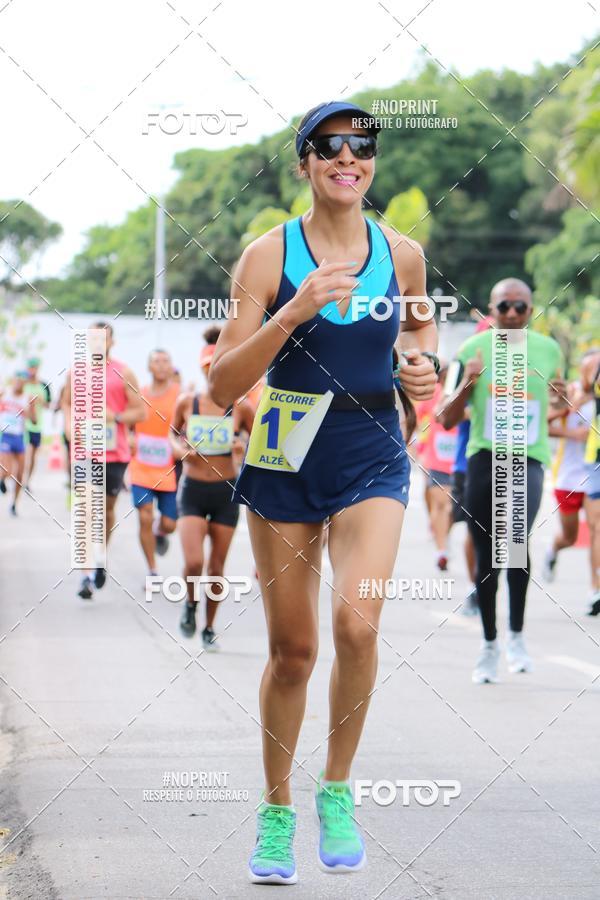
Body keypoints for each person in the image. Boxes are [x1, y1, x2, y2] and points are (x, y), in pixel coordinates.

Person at [208, 101, 439, 884]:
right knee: (293, 651)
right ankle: (277, 816)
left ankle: (335, 788)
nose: (350, 157)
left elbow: (420, 332)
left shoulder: (401, 252)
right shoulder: (267, 256)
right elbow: (219, 386)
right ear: (304, 163)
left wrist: (423, 366)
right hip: (284, 454)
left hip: (372, 447)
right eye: (331, 146)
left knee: (358, 626)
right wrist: (296, 311)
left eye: (362, 145)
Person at [440, 278, 565, 684]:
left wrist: (562, 403)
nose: (512, 314)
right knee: (485, 549)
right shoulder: (470, 350)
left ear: (531, 310)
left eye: (520, 307)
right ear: (490, 311)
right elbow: (445, 418)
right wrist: (468, 384)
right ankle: (490, 643)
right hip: (483, 457)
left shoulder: (548, 351)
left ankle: (516, 636)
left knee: (514, 542)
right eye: (503, 307)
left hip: (527, 458)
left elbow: (552, 411)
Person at [170, 327, 254, 650]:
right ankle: (190, 605)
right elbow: (172, 434)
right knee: (193, 563)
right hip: (192, 488)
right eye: (208, 370)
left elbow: (259, 441)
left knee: (216, 567)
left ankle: (209, 627)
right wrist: (180, 451)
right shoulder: (186, 403)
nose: (212, 375)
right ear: (204, 370)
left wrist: (241, 445)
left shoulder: (241, 407)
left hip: (225, 491)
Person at [63, 323, 146, 599]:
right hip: (85, 451)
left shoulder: (124, 372)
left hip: (114, 452)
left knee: (106, 511)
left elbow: (140, 412)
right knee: (86, 510)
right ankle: (86, 576)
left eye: (103, 338)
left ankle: (101, 557)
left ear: (112, 342)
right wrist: (68, 427)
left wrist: (117, 417)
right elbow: (67, 404)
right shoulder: (76, 371)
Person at [128, 349, 180, 583]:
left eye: (165, 361)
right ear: (149, 367)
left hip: (169, 470)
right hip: (141, 468)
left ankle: (161, 532)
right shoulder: (140, 395)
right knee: (145, 517)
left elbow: (187, 427)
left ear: (171, 366)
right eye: (156, 362)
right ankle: (152, 569)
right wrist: (128, 438)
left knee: (170, 524)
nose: (161, 365)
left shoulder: (181, 396)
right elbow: (128, 423)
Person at [544, 379, 593, 586]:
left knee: (597, 530)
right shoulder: (570, 390)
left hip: (594, 477)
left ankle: (594, 589)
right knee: (569, 538)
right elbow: (542, 425)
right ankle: (553, 550)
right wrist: (570, 411)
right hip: (568, 478)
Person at [415, 365, 457, 571]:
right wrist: (422, 448)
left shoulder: (468, 392)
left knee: (449, 507)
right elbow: (422, 421)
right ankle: (441, 550)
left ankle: (443, 535)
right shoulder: (432, 394)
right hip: (436, 457)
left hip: (459, 459)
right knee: (440, 504)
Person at [0, 371, 38, 515]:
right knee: (7, 470)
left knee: (20, 475)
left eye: (22, 381)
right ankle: (2, 479)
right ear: (13, 380)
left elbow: (34, 421)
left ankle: (14, 504)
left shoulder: (27, 398)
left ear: (25, 383)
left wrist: (32, 407)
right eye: (16, 380)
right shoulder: (4, 394)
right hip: (6, 436)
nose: (18, 383)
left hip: (20, 438)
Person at [580, 349, 600, 614]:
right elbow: (584, 389)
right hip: (597, 454)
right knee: (597, 526)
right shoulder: (596, 364)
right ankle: (596, 589)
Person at [23, 357, 51, 490]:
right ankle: (20, 478)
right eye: (30, 367)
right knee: (25, 452)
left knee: (33, 455)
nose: (32, 370)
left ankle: (28, 481)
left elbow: (49, 405)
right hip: (23, 425)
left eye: (34, 367)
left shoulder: (43, 385)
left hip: (37, 425)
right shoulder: (23, 384)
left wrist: (41, 401)